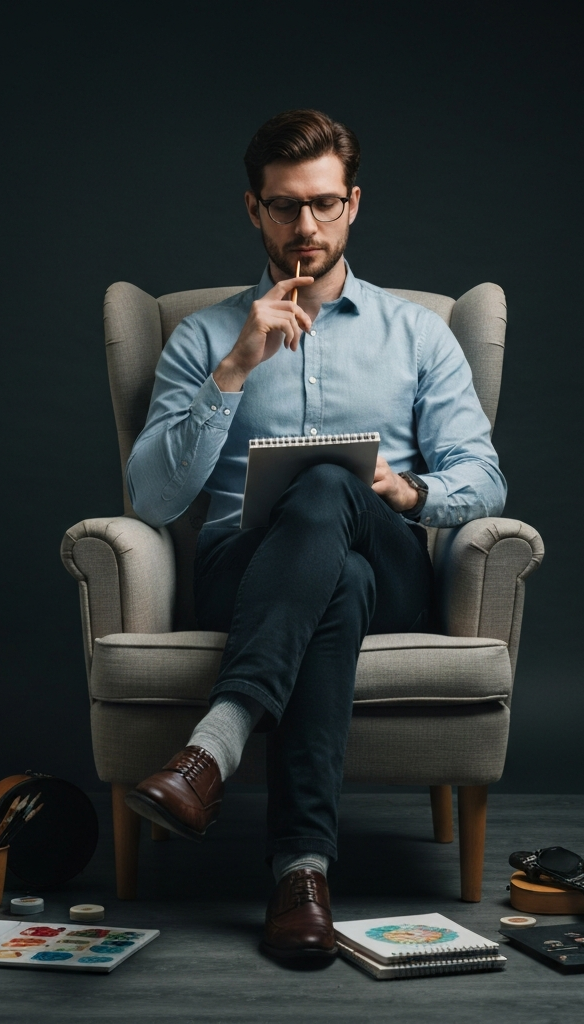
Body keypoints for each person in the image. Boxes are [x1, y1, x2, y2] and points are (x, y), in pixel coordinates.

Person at [125, 109, 506, 960]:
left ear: (354, 205)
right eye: (285, 207)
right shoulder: (204, 337)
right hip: (245, 574)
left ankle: (210, 752)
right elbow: (151, 498)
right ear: (253, 211)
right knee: (336, 587)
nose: (306, 227)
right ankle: (302, 874)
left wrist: (406, 491)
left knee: (333, 487)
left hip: (391, 560)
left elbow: (484, 479)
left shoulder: (419, 336)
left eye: (324, 205)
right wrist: (233, 371)